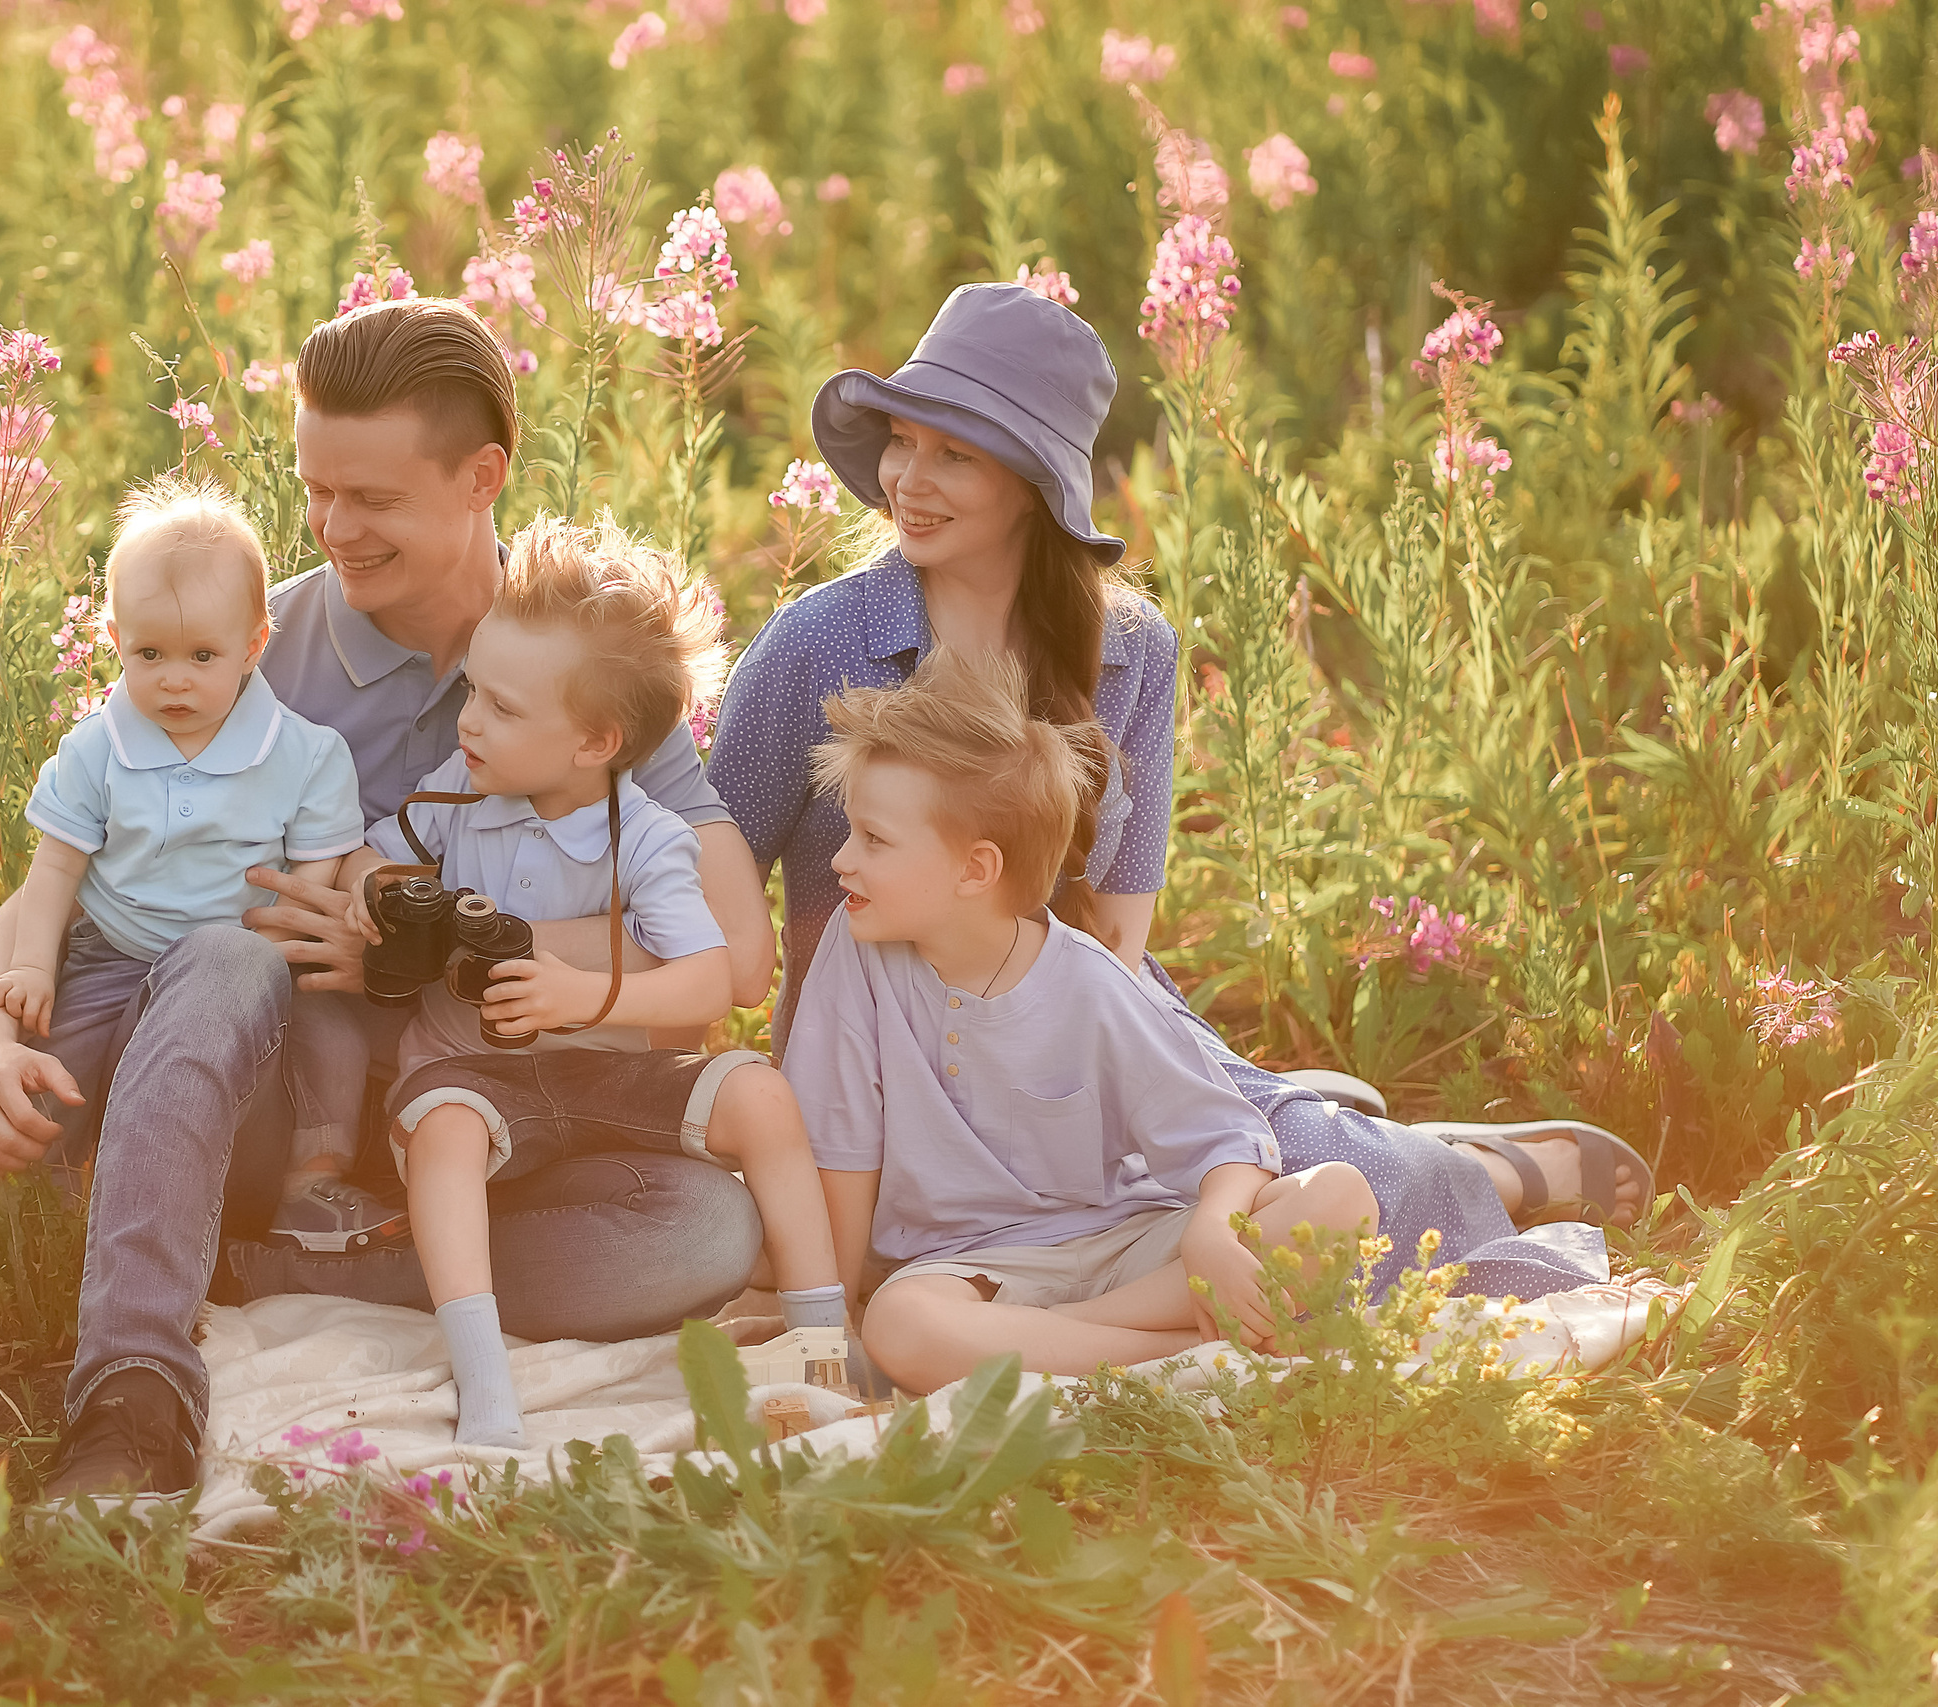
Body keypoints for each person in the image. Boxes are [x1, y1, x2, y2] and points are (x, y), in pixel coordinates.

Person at [0, 298, 775, 1504]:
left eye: (372, 499)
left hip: (496, 1122)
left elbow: (733, 961)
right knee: (227, 953)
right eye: (315, 489)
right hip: (269, 1110)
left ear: (482, 476)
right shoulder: (246, 648)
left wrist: (423, 937)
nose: (333, 527)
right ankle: (133, 1385)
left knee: (703, 1232)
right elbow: (69, 863)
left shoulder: (577, 661)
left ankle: (296, 1274)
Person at [707, 281, 1652, 1307]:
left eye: (954, 454)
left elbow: (1114, 926)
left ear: (1031, 482)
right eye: (900, 442)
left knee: (1333, 1189)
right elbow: (699, 874)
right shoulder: (815, 646)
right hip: (878, 1062)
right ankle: (1332, 1133)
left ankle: (1492, 1173)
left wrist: (1063, 1100)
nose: (906, 479)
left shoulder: (1131, 651)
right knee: (924, 1267)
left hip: (1079, 1032)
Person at [339, 515, 843, 1446]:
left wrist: (587, 997)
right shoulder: (460, 790)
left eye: (503, 707)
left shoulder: (647, 835)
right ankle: (484, 1379)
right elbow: (370, 861)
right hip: (473, 1082)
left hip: (605, 1084)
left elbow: (708, 981)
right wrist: (374, 894)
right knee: (446, 1129)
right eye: (472, 692)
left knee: (761, 1097)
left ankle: (819, 1355)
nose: (471, 721)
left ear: (594, 741)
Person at [784, 653, 1378, 1392]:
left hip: (1122, 1244)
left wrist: (1213, 1229)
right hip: (974, 1274)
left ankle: (1074, 1340)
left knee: (1341, 1195)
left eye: (873, 839)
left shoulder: (1089, 982)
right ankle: (1171, 1349)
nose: (841, 859)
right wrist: (829, 1321)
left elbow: (1226, 1137)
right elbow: (839, 1143)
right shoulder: (857, 948)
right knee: (900, 1324)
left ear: (975, 870)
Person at [0, 476, 394, 1258]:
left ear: (253, 642)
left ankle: (307, 1187)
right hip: (116, 951)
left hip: (248, 964)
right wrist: (34, 965)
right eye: (150, 653)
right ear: (114, 639)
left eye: (202, 654)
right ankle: (48, 1206)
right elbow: (56, 868)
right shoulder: (97, 748)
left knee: (331, 1047)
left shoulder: (305, 756)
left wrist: (313, 935)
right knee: (57, 1061)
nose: (174, 678)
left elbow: (313, 881)